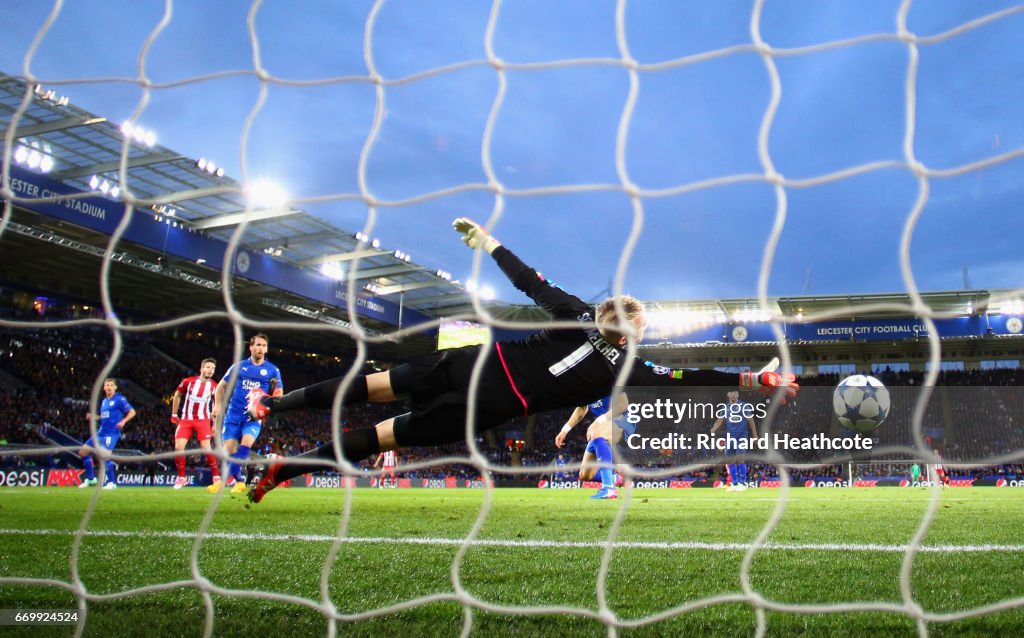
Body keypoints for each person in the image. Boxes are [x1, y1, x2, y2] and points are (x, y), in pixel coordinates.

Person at [245, 218, 798, 504]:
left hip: (472, 365)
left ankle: (279, 403)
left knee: (371, 389)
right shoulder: (628, 368)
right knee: (386, 435)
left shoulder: (576, 314)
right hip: (492, 405)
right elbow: (692, 378)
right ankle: (283, 469)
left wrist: (488, 243)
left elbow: (529, 279)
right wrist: (757, 377)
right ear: (632, 330)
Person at [208, 334, 283, 494]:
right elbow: (220, 387)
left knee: (247, 443)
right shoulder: (239, 367)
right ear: (251, 347)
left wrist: (272, 400)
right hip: (233, 415)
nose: (261, 349)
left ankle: (222, 481)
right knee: (229, 451)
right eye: (258, 345)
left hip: (253, 416)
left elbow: (278, 393)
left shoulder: (272, 370)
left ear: (267, 349)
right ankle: (240, 481)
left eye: (264, 346)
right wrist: (218, 405)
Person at [555, 392, 630, 500]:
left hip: (624, 421)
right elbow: (581, 409)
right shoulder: (586, 387)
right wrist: (564, 430)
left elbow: (623, 404)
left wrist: (599, 421)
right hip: (602, 428)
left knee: (595, 433)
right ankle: (614, 478)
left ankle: (608, 488)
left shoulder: (608, 378)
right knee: (585, 475)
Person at [170, 358, 221, 490]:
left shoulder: (214, 386)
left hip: (203, 420)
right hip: (186, 419)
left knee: (206, 447)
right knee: (178, 447)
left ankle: (216, 477)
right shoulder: (188, 382)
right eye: (208, 367)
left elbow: (216, 405)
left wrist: (215, 424)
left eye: (213, 368)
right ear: (201, 369)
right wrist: (174, 414)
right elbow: (177, 395)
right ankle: (181, 478)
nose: (210, 370)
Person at [78, 378, 136, 490]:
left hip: (112, 433)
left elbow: (132, 412)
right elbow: (104, 417)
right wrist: (94, 417)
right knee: (83, 452)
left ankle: (112, 483)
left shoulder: (120, 399)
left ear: (115, 387)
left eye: (111, 385)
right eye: (107, 385)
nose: (109, 387)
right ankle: (91, 480)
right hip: (101, 432)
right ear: (104, 388)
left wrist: (123, 421)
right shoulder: (104, 401)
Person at [710, 390, 759, 492]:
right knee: (730, 460)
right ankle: (735, 483)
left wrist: (755, 435)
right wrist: (714, 428)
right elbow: (720, 419)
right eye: (731, 393)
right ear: (728, 395)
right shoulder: (726, 407)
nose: (733, 395)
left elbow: (751, 420)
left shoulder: (744, 406)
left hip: (742, 436)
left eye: (735, 393)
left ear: (738, 395)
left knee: (740, 459)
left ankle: (743, 483)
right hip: (730, 437)